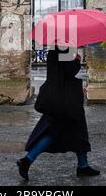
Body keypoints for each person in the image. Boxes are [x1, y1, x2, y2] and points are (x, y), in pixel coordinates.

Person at [17, 46, 100, 181]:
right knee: (59, 131)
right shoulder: (65, 48)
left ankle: (83, 165)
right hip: (66, 99)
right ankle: (27, 160)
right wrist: (77, 59)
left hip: (59, 95)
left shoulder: (55, 48)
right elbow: (71, 70)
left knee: (74, 131)